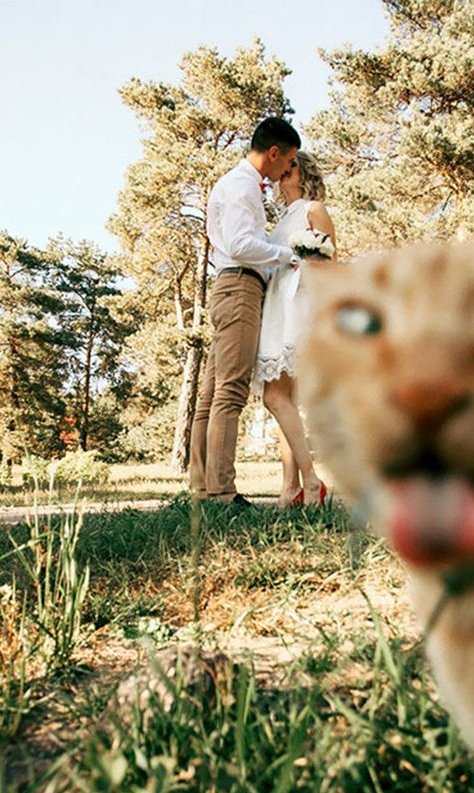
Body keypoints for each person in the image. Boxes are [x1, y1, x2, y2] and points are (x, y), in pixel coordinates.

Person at [189, 117, 301, 505]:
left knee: (212, 394)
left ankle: (201, 487)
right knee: (230, 391)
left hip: (230, 285)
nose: (287, 171)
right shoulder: (240, 186)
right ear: (274, 153)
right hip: (239, 286)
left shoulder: (242, 185)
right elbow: (239, 244)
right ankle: (221, 492)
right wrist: (288, 255)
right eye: (288, 162)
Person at [252, 152, 336, 507]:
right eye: (283, 166)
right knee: (285, 399)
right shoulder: (281, 219)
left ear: (305, 173)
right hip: (276, 305)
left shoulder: (313, 209)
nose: (285, 170)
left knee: (274, 397)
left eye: (294, 166)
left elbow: (329, 265)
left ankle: (312, 481)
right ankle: (290, 488)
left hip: (298, 307)